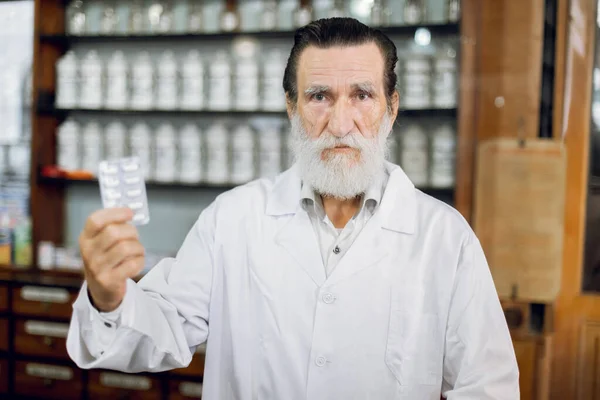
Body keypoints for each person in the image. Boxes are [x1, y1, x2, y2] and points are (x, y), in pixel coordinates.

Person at [67, 17, 519, 400]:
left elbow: (487, 387)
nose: (341, 124)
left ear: (391, 109)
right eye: (319, 96)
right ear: (291, 107)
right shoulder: (233, 219)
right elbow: (159, 334)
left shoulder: (445, 238)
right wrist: (108, 297)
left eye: (362, 95)